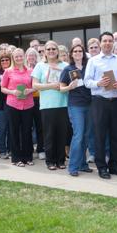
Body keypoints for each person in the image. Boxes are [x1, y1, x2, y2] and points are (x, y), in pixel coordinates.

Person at [84, 32, 117, 179]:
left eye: (110, 41)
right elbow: (86, 81)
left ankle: (114, 166)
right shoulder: (93, 61)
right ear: (100, 43)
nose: (108, 43)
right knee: (100, 136)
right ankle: (102, 167)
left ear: (114, 43)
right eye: (105, 41)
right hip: (99, 102)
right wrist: (98, 83)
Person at [32, 41, 70, 170]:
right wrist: (51, 86)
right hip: (47, 106)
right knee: (49, 134)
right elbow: (35, 85)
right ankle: (50, 161)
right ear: (44, 52)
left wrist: (67, 86)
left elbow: (73, 82)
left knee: (62, 134)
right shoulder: (40, 66)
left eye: (54, 48)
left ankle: (61, 160)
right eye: (48, 49)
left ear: (58, 51)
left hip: (63, 104)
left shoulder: (65, 65)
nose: (51, 51)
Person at [60, 44, 93, 176]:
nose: (78, 53)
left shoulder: (88, 67)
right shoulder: (68, 69)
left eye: (80, 51)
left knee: (86, 136)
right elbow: (61, 88)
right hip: (76, 106)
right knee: (78, 135)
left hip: (90, 104)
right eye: (75, 51)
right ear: (72, 54)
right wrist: (69, 87)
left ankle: (83, 164)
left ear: (83, 53)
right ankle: (73, 167)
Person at [1, 48, 35, 167]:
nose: (19, 58)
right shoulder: (8, 72)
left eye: (21, 56)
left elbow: (35, 87)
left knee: (27, 131)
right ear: (13, 58)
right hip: (13, 105)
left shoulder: (31, 71)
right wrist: (13, 92)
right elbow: (2, 88)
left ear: (24, 57)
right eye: (16, 57)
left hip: (28, 104)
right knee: (14, 131)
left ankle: (28, 157)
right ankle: (16, 158)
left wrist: (29, 90)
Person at [25, 47, 45, 160]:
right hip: (26, 99)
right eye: (29, 55)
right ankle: (29, 149)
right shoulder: (23, 69)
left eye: (33, 55)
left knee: (40, 125)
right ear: (26, 57)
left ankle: (41, 149)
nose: (31, 57)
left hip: (39, 99)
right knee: (28, 125)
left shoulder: (40, 67)